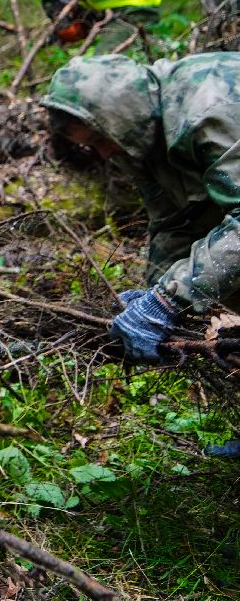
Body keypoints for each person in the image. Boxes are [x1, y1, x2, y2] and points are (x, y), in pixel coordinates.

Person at [42, 53, 240, 456]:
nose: (104, 153)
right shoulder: (145, 138)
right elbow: (175, 223)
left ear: (118, 112)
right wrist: (154, 294)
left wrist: (168, 300)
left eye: (99, 139)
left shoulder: (206, 109)